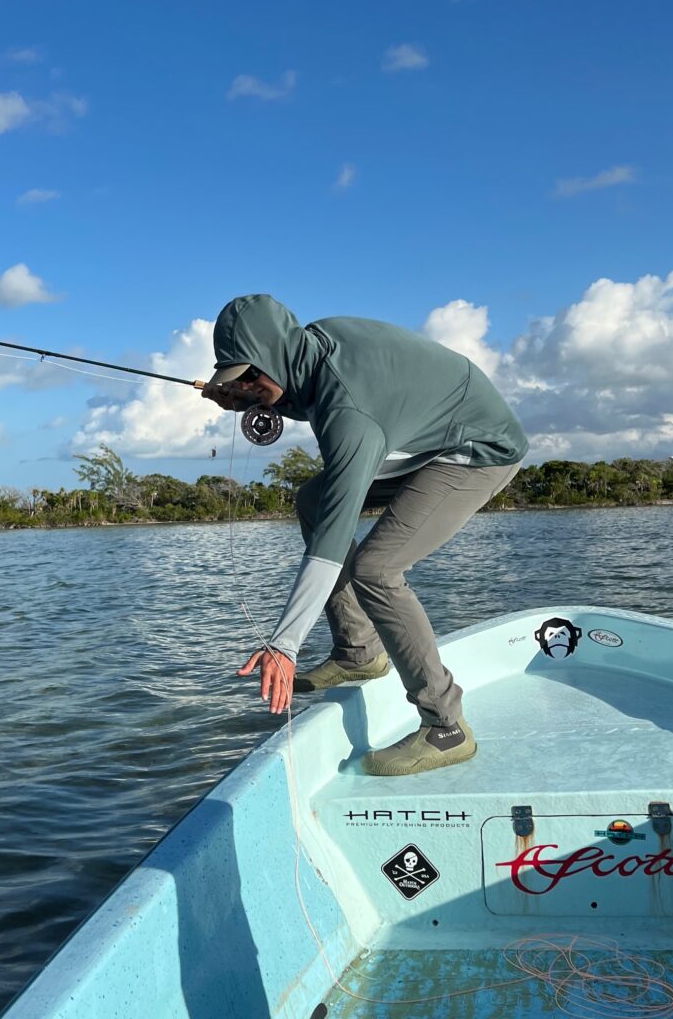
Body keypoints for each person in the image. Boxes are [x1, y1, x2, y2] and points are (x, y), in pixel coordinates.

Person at [202, 294, 528, 776]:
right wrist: (253, 395)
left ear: (275, 354)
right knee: (311, 500)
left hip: (477, 450)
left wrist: (284, 645)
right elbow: (298, 394)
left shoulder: (350, 413)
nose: (245, 386)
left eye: (250, 376)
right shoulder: (309, 349)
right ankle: (359, 653)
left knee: (377, 569)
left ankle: (446, 726)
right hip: (423, 439)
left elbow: (333, 542)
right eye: (236, 379)